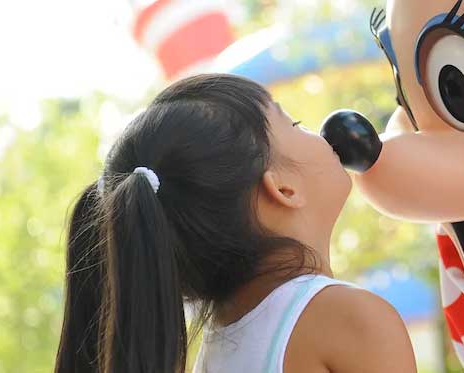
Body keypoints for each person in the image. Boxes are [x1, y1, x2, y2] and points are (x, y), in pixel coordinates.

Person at [54, 73, 417, 373]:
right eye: (295, 124)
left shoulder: (214, 355)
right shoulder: (351, 321)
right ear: (282, 187)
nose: (319, 133)